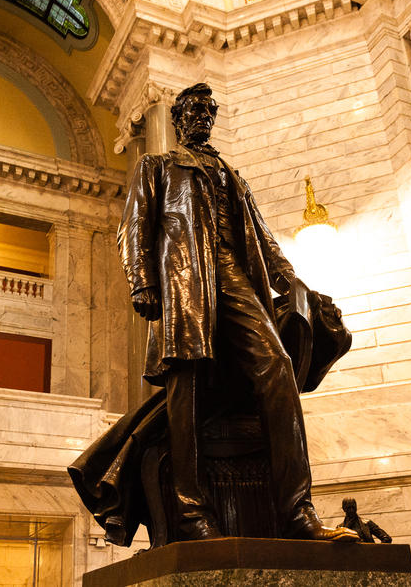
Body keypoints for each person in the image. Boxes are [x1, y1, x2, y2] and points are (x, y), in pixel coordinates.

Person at [118, 83, 356, 543]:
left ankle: (297, 512)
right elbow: (133, 227)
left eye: (208, 111)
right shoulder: (158, 166)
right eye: (193, 110)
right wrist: (142, 281)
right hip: (186, 282)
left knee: (277, 364)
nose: (202, 117)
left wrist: (294, 283)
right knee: (186, 389)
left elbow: (264, 241)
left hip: (234, 276)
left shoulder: (234, 175)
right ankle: (192, 515)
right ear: (178, 119)